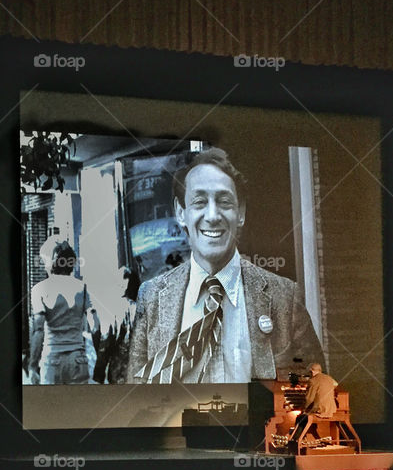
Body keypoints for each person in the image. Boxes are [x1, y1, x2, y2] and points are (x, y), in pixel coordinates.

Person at [127, 147, 323, 384]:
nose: (212, 216)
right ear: (181, 213)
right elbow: (134, 391)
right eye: (200, 202)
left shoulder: (284, 298)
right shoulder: (151, 298)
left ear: (240, 212)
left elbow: (315, 387)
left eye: (224, 202)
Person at [28, 240, 98, 385]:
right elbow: (96, 326)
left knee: (52, 400)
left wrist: (32, 365)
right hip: (78, 359)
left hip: (52, 358)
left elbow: (38, 330)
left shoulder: (40, 289)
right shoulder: (83, 288)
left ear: (51, 262)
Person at [288, 363, 338, 444]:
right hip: (331, 409)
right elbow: (336, 384)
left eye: (309, 373)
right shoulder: (329, 378)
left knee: (300, 418)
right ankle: (301, 440)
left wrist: (303, 408)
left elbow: (309, 399)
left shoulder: (313, 380)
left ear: (312, 371)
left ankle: (295, 442)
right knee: (304, 416)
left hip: (321, 410)